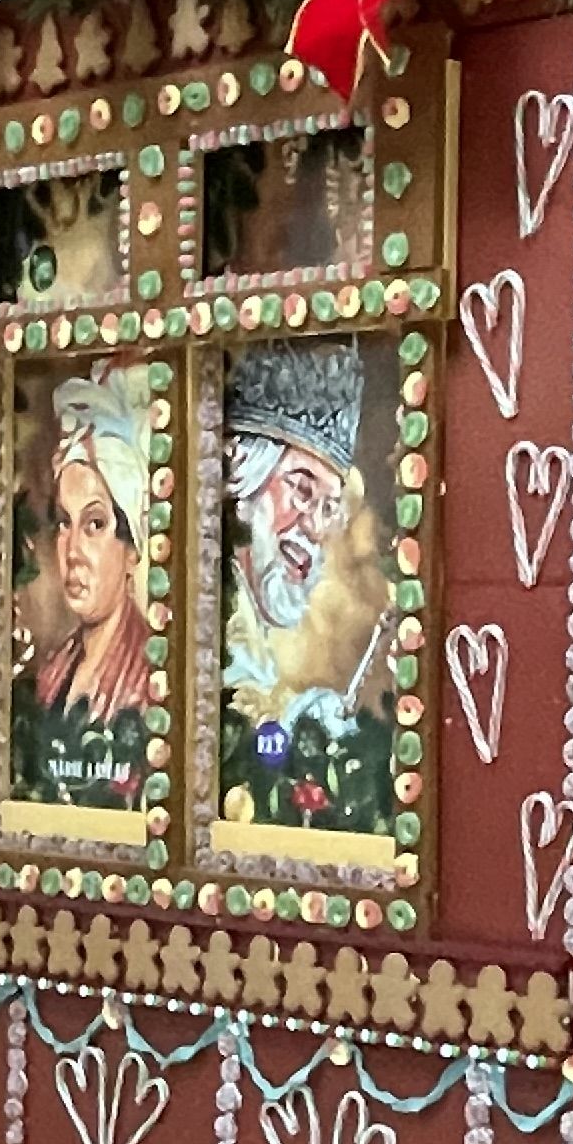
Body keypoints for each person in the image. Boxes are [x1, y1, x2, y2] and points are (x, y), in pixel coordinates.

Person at [216, 340, 392, 834]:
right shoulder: (204, 609)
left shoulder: (261, 632)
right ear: (242, 476)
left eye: (329, 506)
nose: (314, 526)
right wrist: (308, 717)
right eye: (301, 488)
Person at [14, 366, 152, 816]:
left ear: (132, 549)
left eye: (95, 524)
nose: (72, 550)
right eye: (64, 522)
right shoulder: (55, 669)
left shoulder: (152, 676)